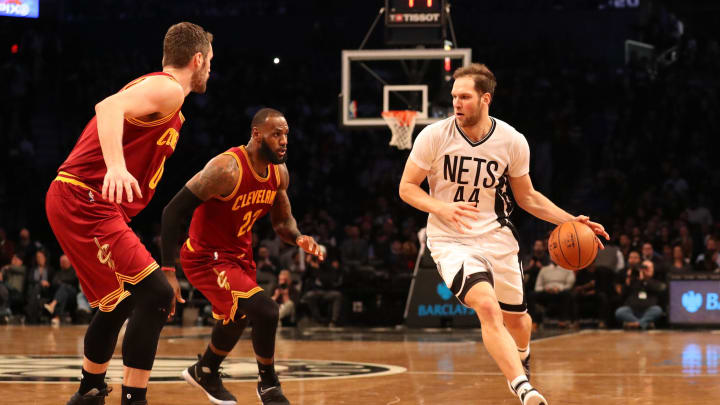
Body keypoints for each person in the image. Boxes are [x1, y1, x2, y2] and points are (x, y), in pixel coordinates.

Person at [398, 63, 609, 405]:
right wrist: (441, 208)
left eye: (464, 97)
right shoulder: (434, 136)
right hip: (450, 239)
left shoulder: (512, 141)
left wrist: (573, 221)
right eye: (454, 96)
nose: (457, 103)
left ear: (485, 99)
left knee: (519, 322)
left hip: (496, 237)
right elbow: (406, 188)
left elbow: (527, 197)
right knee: (486, 306)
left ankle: (521, 355)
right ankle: (523, 387)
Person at [44, 22, 214, 405]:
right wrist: (116, 167)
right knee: (155, 294)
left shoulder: (164, 97)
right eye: (210, 62)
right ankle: (133, 399)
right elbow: (108, 106)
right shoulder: (168, 87)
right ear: (198, 58)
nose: (210, 71)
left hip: (86, 200)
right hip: (83, 198)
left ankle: (89, 390)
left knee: (120, 301)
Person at [160, 108, 323, 405]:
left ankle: (206, 370)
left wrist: (298, 237)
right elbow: (173, 211)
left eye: (286, 134)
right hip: (206, 257)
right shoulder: (226, 169)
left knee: (237, 315)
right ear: (257, 134)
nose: (284, 141)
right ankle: (269, 384)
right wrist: (168, 270)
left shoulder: (278, 173)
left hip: (239, 257)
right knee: (267, 311)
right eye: (277, 134)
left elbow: (282, 223)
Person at [614, 260, 665, 329]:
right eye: (643, 268)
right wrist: (628, 281)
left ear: (653, 270)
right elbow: (623, 295)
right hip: (632, 311)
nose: (645, 270)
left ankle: (635, 324)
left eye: (647, 268)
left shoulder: (656, 282)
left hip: (648, 311)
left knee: (657, 310)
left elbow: (659, 289)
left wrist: (644, 280)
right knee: (620, 311)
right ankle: (643, 323)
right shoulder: (634, 281)